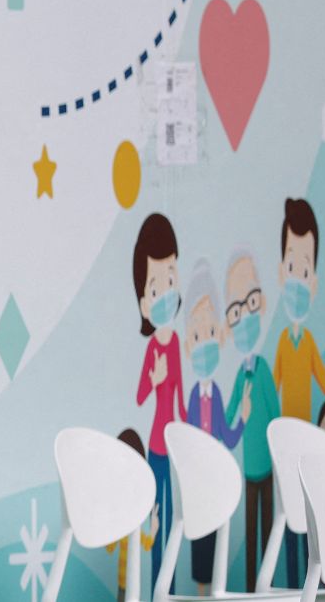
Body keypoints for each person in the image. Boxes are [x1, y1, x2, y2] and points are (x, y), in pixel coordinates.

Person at [272, 198, 325, 587]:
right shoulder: (284, 341)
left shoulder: (311, 343)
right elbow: (276, 386)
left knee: (310, 521)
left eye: (304, 270)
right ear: (281, 273)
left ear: (313, 281)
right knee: (288, 518)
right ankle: (291, 584)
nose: (297, 280)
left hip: (307, 447)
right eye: (292, 268)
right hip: (285, 445)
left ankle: (310, 583)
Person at [182, 258, 243, 595]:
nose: (204, 343)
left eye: (209, 332)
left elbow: (227, 435)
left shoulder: (216, 395)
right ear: (188, 344)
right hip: (198, 484)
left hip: (215, 481)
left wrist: (242, 416)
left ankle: (214, 593)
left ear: (219, 336)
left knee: (217, 541)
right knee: (200, 545)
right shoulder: (194, 396)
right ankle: (202, 594)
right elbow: (188, 438)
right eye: (197, 334)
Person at [132, 213, 186, 592]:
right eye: (156, 286)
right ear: (144, 304)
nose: (166, 291)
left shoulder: (177, 344)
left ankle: (171, 589)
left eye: (170, 278)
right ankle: (157, 590)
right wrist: (152, 379)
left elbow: (180, 395)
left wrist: (187, 431)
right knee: (157, 518)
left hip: (173, 444)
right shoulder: (152, 348)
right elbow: (140, 395)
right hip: (155, 446)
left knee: (175, 519)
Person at [222, 245, 280, 592]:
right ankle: (248, 590)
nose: (244, 318)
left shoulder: (263, 371)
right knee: (251, 528)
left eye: (250, 304)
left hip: (267, 468)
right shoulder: (239, 378)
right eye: (235, 312)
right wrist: (239, 417)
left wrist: (279, 456)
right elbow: (228, 418)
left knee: (268, 531)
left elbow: (276, 416)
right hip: (248, 469)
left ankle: (267, 588)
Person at [107, 429, 160, 602]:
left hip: (131, 583)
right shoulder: (122, 523)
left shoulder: (133, 519)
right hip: (123, 583)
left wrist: (153, 529)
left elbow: (145, 544)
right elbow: (110, 547)